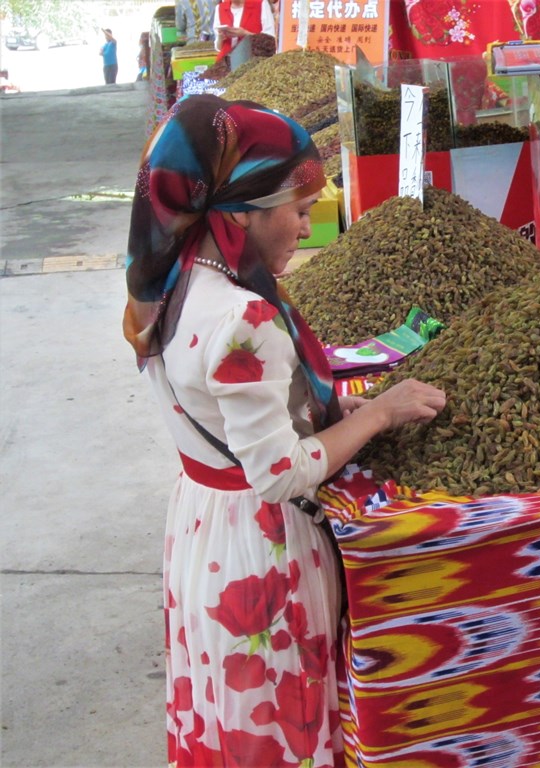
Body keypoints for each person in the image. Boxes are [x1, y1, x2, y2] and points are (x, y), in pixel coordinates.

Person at [123, 95, 446, 765]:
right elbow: (280, 473)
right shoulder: (247, 319)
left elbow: (234, 422)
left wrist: (337, 417)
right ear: (244, 212)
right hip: (258, 548)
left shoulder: (168, 287)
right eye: (299, 212)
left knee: (230, 708)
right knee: (278, 708)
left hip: (201, 527)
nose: (308, 228)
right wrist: (383, 411)